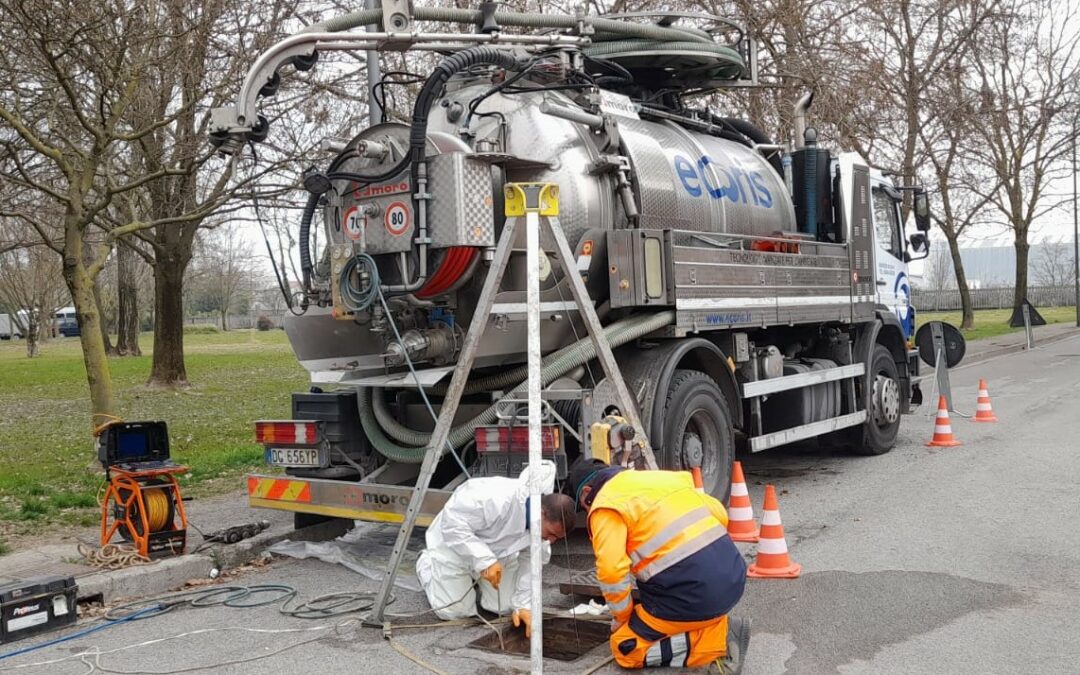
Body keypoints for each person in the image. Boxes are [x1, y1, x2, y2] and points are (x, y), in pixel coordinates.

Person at [565, 460, 750, 672]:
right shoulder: (660, 479)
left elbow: (612, 573)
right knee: (656, 614)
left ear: (588, 492)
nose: (588, 511)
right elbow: (720, 514)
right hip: (733, 575)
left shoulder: (605, 504)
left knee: (625, 648)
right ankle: (712, 623)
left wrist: (623, 618)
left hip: (693, 594)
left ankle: (718, 640)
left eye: (585, 506)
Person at [416, 461, 577, 637]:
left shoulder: (541, 530)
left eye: (557, 538)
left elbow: (531, 566)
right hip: (454, 547)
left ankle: (472, 581)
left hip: (497, 555)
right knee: (454, 612)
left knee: (505, 608)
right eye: (551, 533)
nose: (551, 541)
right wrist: (485, 560)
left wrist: (523, 605)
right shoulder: (494, 498)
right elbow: (453, 526)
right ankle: (427, 565)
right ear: (542, 513)